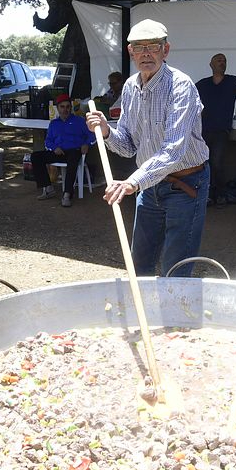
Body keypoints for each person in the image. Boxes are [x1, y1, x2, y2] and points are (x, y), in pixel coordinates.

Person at [86, 19, 210, 277]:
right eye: (139, 47)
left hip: (185, 185)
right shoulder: (130, 87)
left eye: (153, 47)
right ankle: (144, 316)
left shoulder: (180, 86)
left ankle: (173, 317)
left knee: (175, 268)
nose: (146, 53)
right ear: (131, 52)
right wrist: (107, 132)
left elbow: (172, 151)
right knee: (139, 265)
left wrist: (132, 183)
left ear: (165, 50)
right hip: (149, 186)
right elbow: (128, 146)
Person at [195, 53, 236, 206]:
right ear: (211, 64)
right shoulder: (202, 84)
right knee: (203, 164)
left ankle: (219, 194)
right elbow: (187, 96)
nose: (221, 63)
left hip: (221, 131)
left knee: (217, 163)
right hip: (203, 131)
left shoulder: (232, 81)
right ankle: (206, 195)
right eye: (218, 60)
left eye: (224, 61)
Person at [31, 92, 94, 208]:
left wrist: (86, 144)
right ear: (57, 108)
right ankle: (48, 188)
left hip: (75, 151)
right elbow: (48, 141)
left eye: (67, 107)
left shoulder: (79, 121)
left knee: (73, 159)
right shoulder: (54, 124)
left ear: (71, 108)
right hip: (59, 152)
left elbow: (92, 135)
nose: (65, 110)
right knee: (35, 156)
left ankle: (67, 194)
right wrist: (54, 148)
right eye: (62, 107)